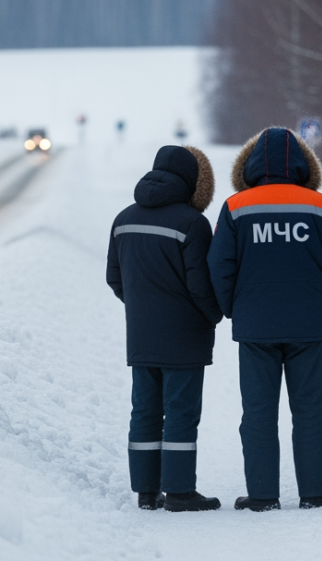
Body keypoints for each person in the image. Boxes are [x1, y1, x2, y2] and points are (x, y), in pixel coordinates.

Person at [208, 127, 322, 512]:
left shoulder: (236, 206)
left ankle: (262, 496)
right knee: (309, 411)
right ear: (303, 163)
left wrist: (233, 308)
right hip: (307, 325)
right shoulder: (318, 204)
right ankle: (316, 492)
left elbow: (219, 266)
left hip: (256, 327)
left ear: (251, 165)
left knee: (257, 413)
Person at [107, 145, 223, 512]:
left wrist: (143, 307)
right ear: (191, 181)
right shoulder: (192, 223)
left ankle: (146, 491)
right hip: (185, 336)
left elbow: (114, 278)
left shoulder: (123, 218)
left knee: (144, 410)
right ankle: (180, 492)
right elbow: (200, 285)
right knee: (181, 412)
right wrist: (214, 315)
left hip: (141, 335)